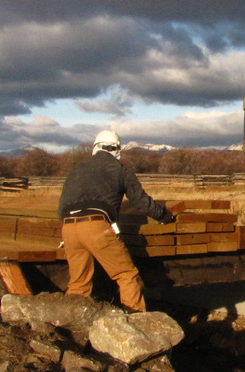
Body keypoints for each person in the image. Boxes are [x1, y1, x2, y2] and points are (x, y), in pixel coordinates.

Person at [57, 130, 174, 312]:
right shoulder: (120, 170)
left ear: (95, 147)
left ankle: (72, 328)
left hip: (68, 228)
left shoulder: (77, 168)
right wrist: (164, 216)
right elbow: (141, 202)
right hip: (96, 226)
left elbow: (62, 203)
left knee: (79, 283)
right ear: (117, 149)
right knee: (126, 274)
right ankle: (135, 322)